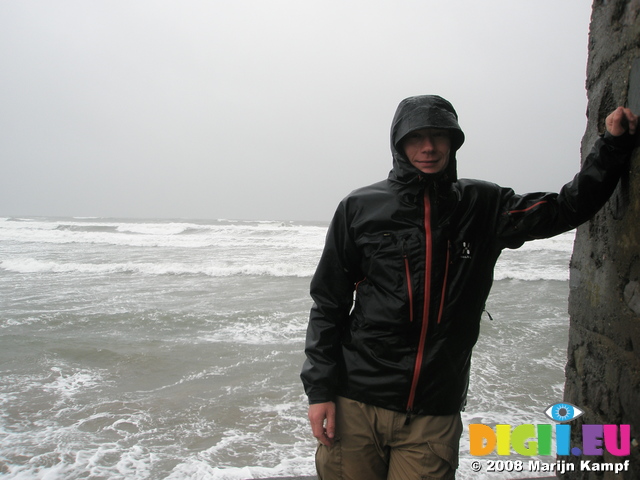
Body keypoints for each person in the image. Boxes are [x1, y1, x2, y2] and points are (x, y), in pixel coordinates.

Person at [300, 95, 638, 480]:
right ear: (399, 143)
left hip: (432, 412)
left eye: (439, 136)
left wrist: (612, 147)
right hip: (355, 403)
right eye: (416, 137)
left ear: (453, 142)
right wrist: (320, 392)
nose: (428, 147)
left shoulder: (483, 204)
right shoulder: (359, 207)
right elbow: (329, 302)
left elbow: (564, 208)